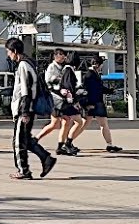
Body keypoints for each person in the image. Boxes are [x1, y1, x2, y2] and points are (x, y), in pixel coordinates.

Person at [5, 38, 57, 180]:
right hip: (26, 108)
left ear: (15, 52)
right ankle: (46, 158)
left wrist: (24, 112)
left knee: (18, 142)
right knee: (25, 139)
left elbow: (26, 90)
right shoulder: (29, 63)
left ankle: (23, 170)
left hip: (25, 109)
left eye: (9, 52)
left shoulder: (23, 65)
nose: (8, 55)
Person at [72, 58, 122, 153]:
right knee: (89, 124)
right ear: (97, 64)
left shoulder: (92, 74)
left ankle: (109, 144)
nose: (102, 67)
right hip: (94, 103)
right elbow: (92, 90)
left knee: (93, 123)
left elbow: (98, 88)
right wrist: (88, 104)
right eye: (101, 65)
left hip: (95, 103)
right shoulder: (90, 75)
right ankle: (68, 141)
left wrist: (109, 91)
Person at [39, 49, 82, 155]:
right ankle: (63, 144)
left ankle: (62, 145)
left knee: (64, 122)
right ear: (55, 56)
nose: (63, 57)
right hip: (55, 98)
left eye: (64, 55)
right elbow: (50, 82)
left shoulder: (64, 67)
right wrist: (61, 84)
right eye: (61, 55)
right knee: (58, 123)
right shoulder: (52, 67)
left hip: (62, 98)